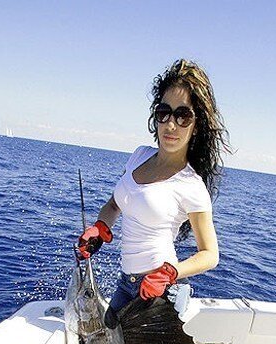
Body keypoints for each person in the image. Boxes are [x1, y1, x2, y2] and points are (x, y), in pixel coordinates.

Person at [76, 58, 231, 318]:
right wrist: (101, 227)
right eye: (164, 113)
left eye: (183, 116)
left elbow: (209, 254)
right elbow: (115, 204)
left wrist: (171, 272)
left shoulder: (192, 186)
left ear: (196, 125)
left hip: (160, 293)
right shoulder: (139, 155)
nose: (171, 124)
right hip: (126, 285)